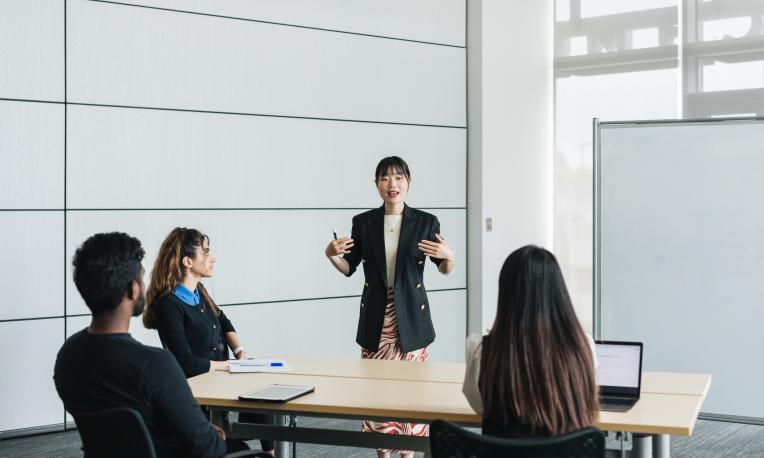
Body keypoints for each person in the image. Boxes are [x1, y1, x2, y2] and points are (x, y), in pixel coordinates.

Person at [54, 232, 248, 457]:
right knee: (240, 449)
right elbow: (209, 448)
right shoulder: (155, 365)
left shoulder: (68, 356)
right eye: (142, 278)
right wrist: (216, 434)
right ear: (133, 289)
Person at [324, 156, 455, 458]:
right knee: (379, 392)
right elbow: (349, 267)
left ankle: (408, 453)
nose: (392, 184)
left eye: (398, 178)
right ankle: (383, 452)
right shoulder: (364, 222)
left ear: (409, 181)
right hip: (376, 319)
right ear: (377, 184)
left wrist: (450, 255)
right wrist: (330, 254)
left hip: (411, 319)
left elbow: (444, 268)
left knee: (412, 394)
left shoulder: (425, 222)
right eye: (385, 178)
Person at [143, 227, 273, 455]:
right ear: (187, 262)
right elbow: (186, 364)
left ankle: (271, 452)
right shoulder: (169, 305)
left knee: (263, 390)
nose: (213, 258)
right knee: (241, 437)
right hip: (197, 391)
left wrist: (239, 351)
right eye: (205, 252)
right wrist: (230, 365)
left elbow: (224, 321)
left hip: (219, 381)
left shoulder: (199, 292)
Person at [462, 245, 599, 438]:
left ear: (506, 293)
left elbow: (478, 405)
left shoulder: (482, 350)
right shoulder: (583, 346)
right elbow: (586, 400)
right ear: (559, 291)